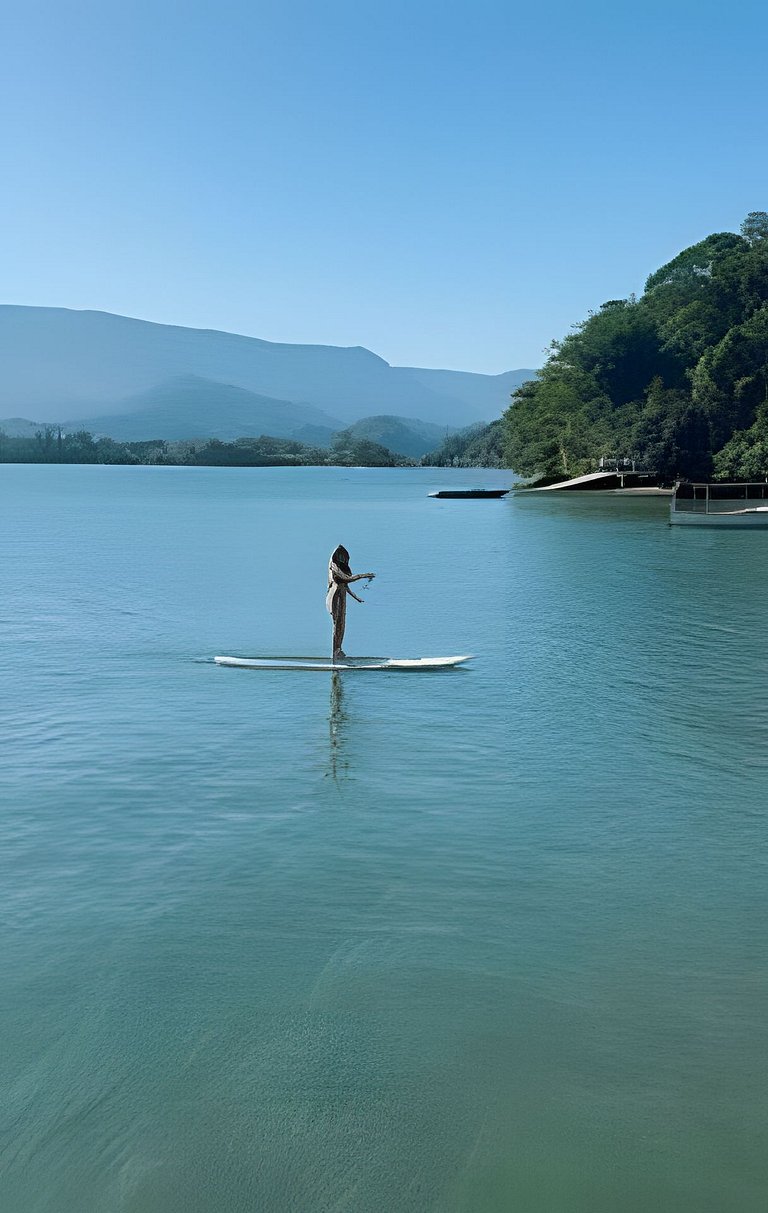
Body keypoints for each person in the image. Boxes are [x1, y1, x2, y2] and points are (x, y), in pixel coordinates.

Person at [326, 545, 375, 660]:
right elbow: (346, 579)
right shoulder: (334, 567)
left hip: (342, 596)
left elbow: (346, 586)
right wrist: (363, 575)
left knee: (342, 624)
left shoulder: (343, 567)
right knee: (336, 624)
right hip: (334, 596)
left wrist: (356, 597)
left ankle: (339, 649)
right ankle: (335, 651)